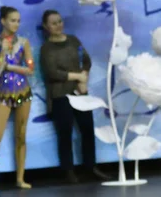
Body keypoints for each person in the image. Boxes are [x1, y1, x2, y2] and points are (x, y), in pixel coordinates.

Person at [39, 10, 110, 183]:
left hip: (80, 93)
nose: (58, 25)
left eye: (60, 21)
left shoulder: (73, 40)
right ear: (46, 27)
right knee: (65, 133)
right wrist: (75, 76)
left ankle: (91, 167)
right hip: (60, 95)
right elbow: (51, 72)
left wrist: (84, 76)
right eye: (53, 23)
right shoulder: (46, 48)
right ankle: (68, 170)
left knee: (87, 129)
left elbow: (85, 59)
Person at [0, 6, 34, 189]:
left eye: (18, 21)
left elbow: (30, 69)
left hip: (23, 93)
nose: (16, 24)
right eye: (12, 20)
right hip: (3, 94)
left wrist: (10, 67)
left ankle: (20, 179)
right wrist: (3, 53)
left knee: (21, 136)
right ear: (3, 21)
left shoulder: (23, 42)